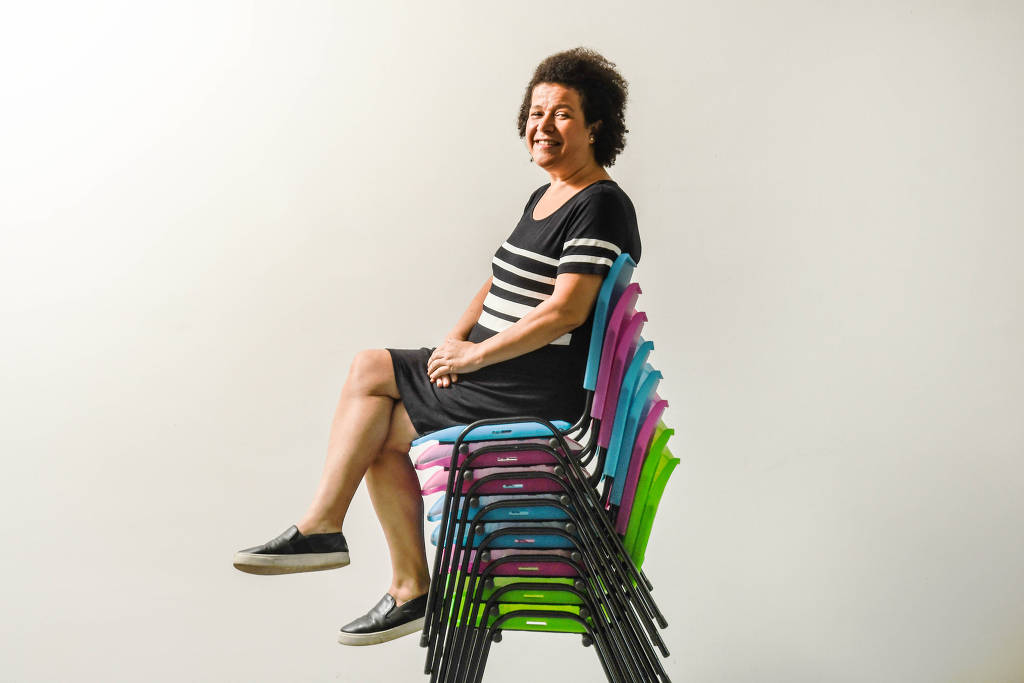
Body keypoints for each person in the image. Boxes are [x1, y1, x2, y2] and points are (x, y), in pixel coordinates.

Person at [233, 46, 642, 647]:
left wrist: (473, 357)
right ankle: (397, 580)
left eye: (561, 114)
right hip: (499, 368)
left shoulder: (600, 204)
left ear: (595, 126)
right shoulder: (547, 194)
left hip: (532, 388)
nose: (542, 126)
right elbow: (498, 280)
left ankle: (337, 537)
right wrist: (454, 340)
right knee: (376, 429)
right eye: (535, 113)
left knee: (369, 372)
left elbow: (566, 311)